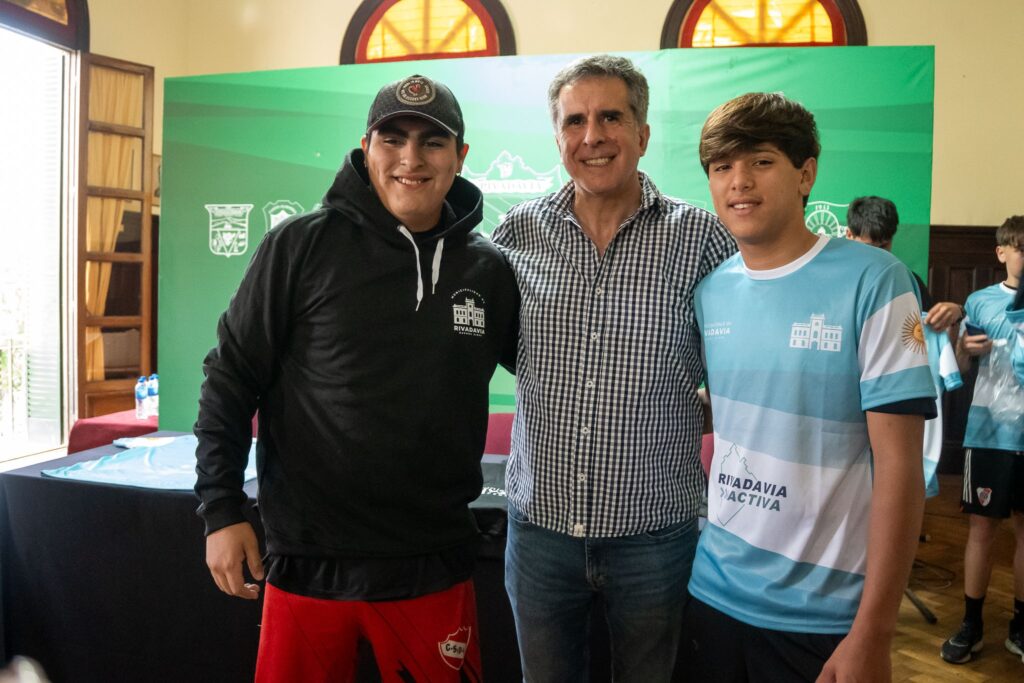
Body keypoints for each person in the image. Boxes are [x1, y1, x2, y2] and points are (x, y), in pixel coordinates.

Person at [194, 74, 518, 682]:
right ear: (366, 147)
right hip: (308, 562)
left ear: (460, 156)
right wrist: (221, 508)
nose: (410, 159)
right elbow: (230, 378)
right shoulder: (298, 246)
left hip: (433, 564)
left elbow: (552, 370)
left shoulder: (489, 269)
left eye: (432, 142)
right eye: (392, 139)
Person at [491, 55, 736, 681]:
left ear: (643, 134)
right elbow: (495, 348)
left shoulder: (702, 239)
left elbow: (736, 373)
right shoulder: (517, 234)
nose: (592, 136)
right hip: (540, 530)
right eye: (574, 121)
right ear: (558, 137)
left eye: (611, 118)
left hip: (655, 537)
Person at [683, 92, 936, 682]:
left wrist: (874, 632)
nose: (739, 182)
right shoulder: (711, 290)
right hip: (711, 592)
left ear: (806, 174)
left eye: (761, 161)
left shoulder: (877, 280)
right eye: (722, 166)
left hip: (824, 615)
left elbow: (901, 467)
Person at [940, 215, 1024, 666]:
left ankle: (1020, 625)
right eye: (1020, 248)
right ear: (1002, 252)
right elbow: (960, 369)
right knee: (982, 530)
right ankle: (971, 622)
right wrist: (964, 349)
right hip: (989, 432)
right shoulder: (980, 301)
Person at [846, 195, 964, 497]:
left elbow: (935, 352)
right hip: (842, 420)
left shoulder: (907, 282)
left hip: (889, 416)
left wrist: (955, 314)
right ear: (849, 235)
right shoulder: (831, 281)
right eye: (869, 246)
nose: (878, 256)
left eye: (884, 246)